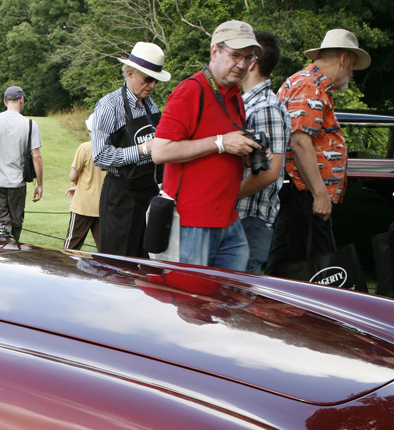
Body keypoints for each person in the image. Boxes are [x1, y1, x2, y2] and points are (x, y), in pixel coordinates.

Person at [148, 20, 262, 270]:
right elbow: (160, 151)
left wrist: (245, 151)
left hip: (228, 219)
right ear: (215, 52)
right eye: (235, 55)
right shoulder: (191, 90)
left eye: (248, 58)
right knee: (190, 294)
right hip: (191, 222)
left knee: (230, 294)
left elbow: (220, 153)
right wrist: (220, 142)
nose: (242, 65)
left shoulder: (235, 95)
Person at [264, 29, 370, 276]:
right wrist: (320, 194)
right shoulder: (309, 85)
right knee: (320, 270)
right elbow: (300, 142)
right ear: (343, 59)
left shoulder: (309, 84)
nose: (351, 73)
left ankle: (265, 298)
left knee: (285, 266)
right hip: (304, 194)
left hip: (300, 194)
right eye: (351, 66)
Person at [90, 42, 170, 257]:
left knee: (145, 260)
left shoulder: (151, 105)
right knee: (118, 263)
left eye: (155, 80)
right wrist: (142, 149)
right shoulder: (109, 106)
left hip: (149, 192)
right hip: (121, 195)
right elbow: (100, 156)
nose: (152, 85)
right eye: (148, 79)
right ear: (129, 73)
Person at [235, 30, 291, 273]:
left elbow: (269, 172)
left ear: (252, 62)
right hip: (241, 218)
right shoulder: (248, 102)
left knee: (238, 290)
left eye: (241, 56)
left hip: (250, 219)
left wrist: (224, 195)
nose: (236, 63)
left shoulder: (266, 108)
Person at [0, 85, 43, 240]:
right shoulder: (30, 124)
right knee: (15, 226)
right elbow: (36, 156)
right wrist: (39, 184)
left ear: (5, 101)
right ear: (21, 100)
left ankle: (0, 253)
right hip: (17, 184)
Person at [66, 115, 106, 249]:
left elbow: (72, 176)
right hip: (103, 206)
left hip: (82, 205)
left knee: (72, 246)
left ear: (89, 130)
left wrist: (78, 184)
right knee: (104, 248)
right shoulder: (111, 148)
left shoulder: (85, 148)